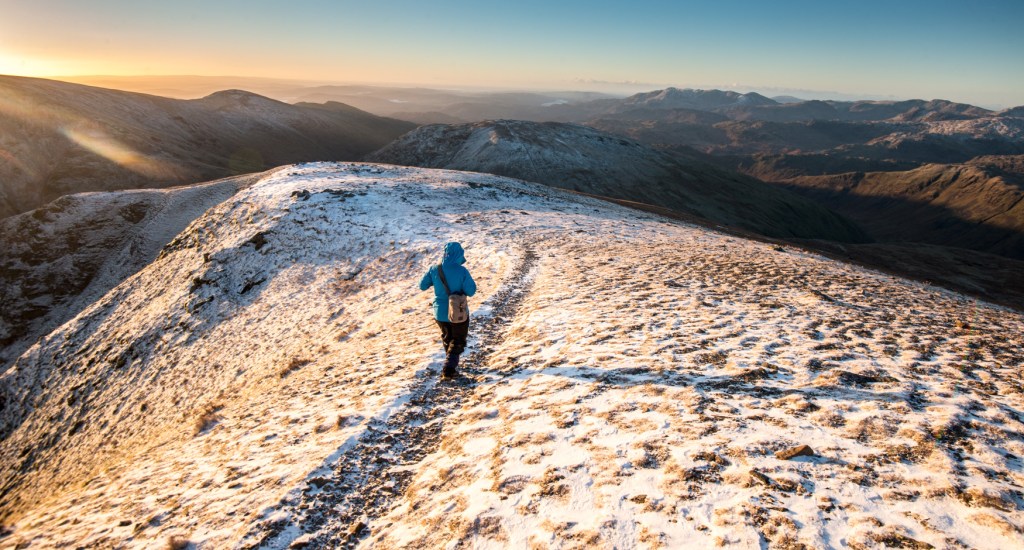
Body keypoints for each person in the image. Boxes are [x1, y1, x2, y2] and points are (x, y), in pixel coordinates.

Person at [420, 241, 477, 378]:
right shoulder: (462, 271)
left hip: (439, 313)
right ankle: (449, 369)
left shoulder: (435, 269)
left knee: (448, 338)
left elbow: (422, 285)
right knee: (458, 340)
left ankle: (450, 363)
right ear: (459, 254)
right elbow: (471, 291)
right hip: (458, 311)